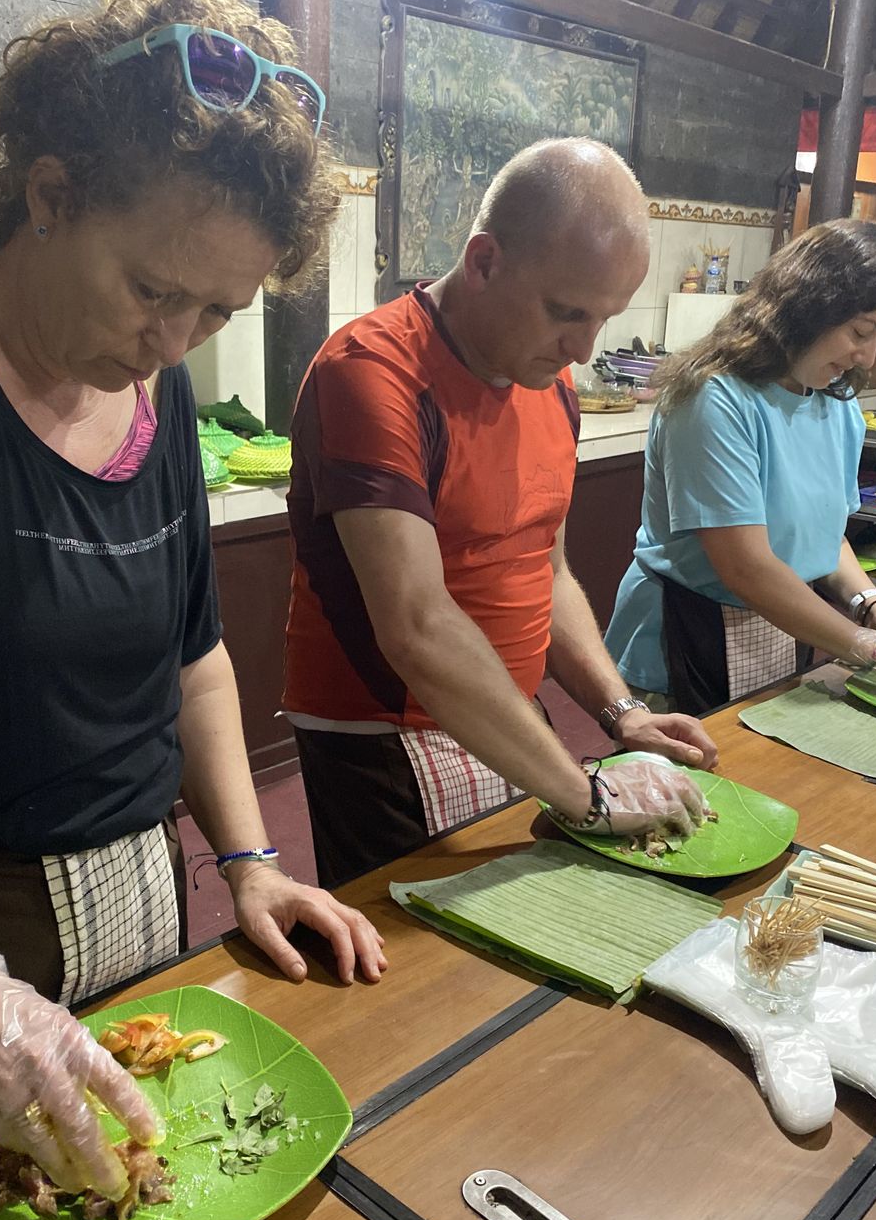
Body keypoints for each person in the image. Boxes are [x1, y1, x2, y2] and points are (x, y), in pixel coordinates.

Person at [0, 0, 386, 1190]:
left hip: (139, 943)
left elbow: (193, 658)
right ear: (51, 195)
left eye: (214, 310)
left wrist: (249, 860)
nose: (173, 341)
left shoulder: (156, 391)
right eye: (151, 290)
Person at [283, 138, 717, 889]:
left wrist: (621, 715)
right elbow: (416, 626)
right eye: (566, 312)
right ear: (483, 260)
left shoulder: (550, 383)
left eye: (603, 319)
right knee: (432, 977)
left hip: (500, 709)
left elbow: (541, 566)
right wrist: (586, 792)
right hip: (389, 733)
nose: (583, 348)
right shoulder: (373, 372)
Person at [605, 218, 876, 714]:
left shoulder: (835, 404)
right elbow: (746, 568)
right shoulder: (714, 399)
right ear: (805, 309)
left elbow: (826, 536)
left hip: (784, 625)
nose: (867, 356)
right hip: (685, 635)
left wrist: (871, 606)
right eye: (861, 332)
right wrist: (874, 650)